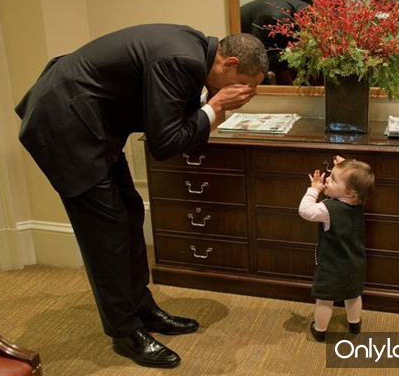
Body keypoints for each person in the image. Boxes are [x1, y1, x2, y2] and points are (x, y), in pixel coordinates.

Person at [15, 24, 268, 368]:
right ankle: (125, 332)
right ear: (230, 63)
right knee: (106, 233)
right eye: (244, 86)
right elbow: (164, 144)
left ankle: (142, 309)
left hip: (95, 121)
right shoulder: (182, 60)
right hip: (66, 123)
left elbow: (163, 112)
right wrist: (215, 107)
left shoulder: (196, 53)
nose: (244, 94)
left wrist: (210, 104)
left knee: (131, 212)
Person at [298, 155, 374, 341]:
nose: (327, 181)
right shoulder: (359, 202)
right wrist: (344, 167)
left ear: (349, 193)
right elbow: (357, 181)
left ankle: (320, 330)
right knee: (353, 294)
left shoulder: (327, 209)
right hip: (355, 263)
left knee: (325, 298)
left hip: (331, 265)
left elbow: (305, 211)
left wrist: (313, 190)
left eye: (332, 180)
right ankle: (354, 323)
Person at [241, 0, 309, 84]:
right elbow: (260, 62)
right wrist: (295, 49)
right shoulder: (276, 20)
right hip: (241, 41)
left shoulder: (306, 9)